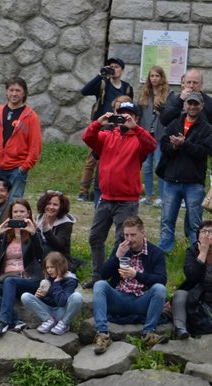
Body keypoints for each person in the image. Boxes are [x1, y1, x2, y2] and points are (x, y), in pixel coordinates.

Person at [82, 101, 156, 286]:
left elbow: (152, 145)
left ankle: (116, 276)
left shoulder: (139, 140)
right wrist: (99, 122)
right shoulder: (107, 136)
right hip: (106, 198)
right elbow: (87, 137)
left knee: (123, 241)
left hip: (127, 201)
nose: (124, 117)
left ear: (136, 118)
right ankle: (98, 275)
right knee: (95, 237)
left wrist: (136, 128)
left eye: (128, 114)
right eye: (120, 114)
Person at [92, 216, 167, 354]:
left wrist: (136, 275)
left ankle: (148, 333)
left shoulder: (155, 252)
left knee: (160, 289)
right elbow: (103, 274)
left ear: (143, 233)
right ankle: (103, 334)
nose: (129, 239)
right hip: (119, 298)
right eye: (126, 235)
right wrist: (117, 257)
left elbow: (161, 279)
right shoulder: (121, 248)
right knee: (99, 285)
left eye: (133, 235)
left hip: (141, 299)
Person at [156, 92, 212, 254]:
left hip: (194, 182)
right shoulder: (174, 123)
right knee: (167, 219)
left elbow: (205, 151)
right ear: (185, 105)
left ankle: (197, 249)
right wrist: (173, 147)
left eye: (196, 104)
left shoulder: (207, 129)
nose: (192, 107)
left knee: (195, 222)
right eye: (190, 103)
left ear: (202, 106)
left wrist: (184, 144)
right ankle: (165, 249)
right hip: (171, 179)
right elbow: (164, 147)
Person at [0, 199, 44, 336]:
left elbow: (41, 257)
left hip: (28, 279)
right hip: (6, 280)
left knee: (10, 281)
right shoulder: (6, 234)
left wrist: (34, 235)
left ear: (28, 213)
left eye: (22, 211)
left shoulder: (35, 232)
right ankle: (16, 321)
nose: (18, 214)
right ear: (11, 214)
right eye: (15, 211)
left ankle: (3, 322)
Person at [78, 57, 133, 201]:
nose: (113, 69)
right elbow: (84, 91)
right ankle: (83, 191)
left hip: (118, 128)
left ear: (122, 70)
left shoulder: (127, 88)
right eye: (111, 66)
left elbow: (130, 108)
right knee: (91, 160)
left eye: (116, 67)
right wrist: (100, 74)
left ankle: (107, 188)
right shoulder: (103, 83)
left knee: (114, 160)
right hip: (101, 126)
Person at [0, 77, 42, 201]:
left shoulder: (31, 117)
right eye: (11, 90)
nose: (14, 93)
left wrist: (24, 167)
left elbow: (35, 145)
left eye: (18, 90)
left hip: (17, 169)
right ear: (6, 92)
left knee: (13, 204)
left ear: (24, 93)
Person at [20, 251, 83, 336]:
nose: (49, 270)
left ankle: (64, 324)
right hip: (50, 312)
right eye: (47, 267)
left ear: (60, 266)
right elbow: (50, 301)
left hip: (62, 312)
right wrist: (42, 296)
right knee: (25, 296)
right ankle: (49, 320)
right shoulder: (49, 277)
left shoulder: (70, 280)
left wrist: (56, 284)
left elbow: (62, 302)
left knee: (77, 297)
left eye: (52, 267)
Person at [170, 221, 212, 339]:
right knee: (180, 294)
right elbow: (192, 276)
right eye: (204, 231)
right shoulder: (192, 251)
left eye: (211, 231)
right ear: (198, 236)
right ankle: (180, 329)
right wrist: (202, 254)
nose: (207, 235)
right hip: (197, 296)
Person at [138, 65, 169, 206]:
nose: (154, 78)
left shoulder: (167, 95)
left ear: (161, 78)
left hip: (159, 136)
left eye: (157, 76)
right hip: (146, 136)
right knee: (146, 166)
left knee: (159, 166)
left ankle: (162, 197)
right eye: (152, 76)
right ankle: (149, 195)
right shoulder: (145, 95)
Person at [35, 190, 76, 262]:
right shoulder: (38, 218)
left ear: (61, 207)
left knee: (46, 249)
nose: (51, 207)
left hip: (59, 259)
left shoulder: (66, 223)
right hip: (40, 254)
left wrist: (46, 229)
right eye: (48, 204)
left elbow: (58, 245)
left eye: (55, 205)